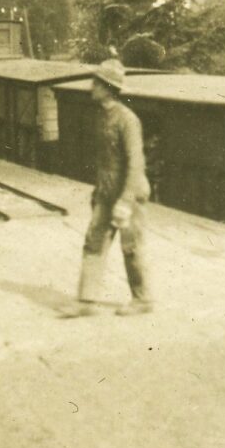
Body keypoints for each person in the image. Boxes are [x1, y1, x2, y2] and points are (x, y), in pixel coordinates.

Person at [71, 59, 153, 317]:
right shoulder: (101, 116)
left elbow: (136, 162)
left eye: (96, 82)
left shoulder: (128, 120)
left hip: (129, 192)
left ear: (108, 88)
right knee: (94, 241)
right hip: (107, 193)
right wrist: (100, 193)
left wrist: (126, 201)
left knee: (131, 246)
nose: (91, 86)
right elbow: (106, 161)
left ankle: (143, 300)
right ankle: (86, 301)